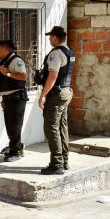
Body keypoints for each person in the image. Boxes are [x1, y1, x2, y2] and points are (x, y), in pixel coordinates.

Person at [38, 26, 74, 175]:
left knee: (51, 128)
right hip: (66, 92)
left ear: (55, 37)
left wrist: (42, 95)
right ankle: (64, 160)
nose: (48, 39)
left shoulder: (56, 53)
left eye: (50, 37)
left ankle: (57, 164)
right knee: (61, 127)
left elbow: (52, 76)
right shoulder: (69, 51)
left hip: (57, 95)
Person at [0, 40, 28, 162]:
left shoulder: (16, 61)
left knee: (15, 126)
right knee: (10, 126)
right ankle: (15, 146)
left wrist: (8, 73)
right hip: (8, 99)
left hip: (17, 98)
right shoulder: (5, 61)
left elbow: (23, 76)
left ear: (5, 48)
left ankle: (17, 152)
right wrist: (3, 98)